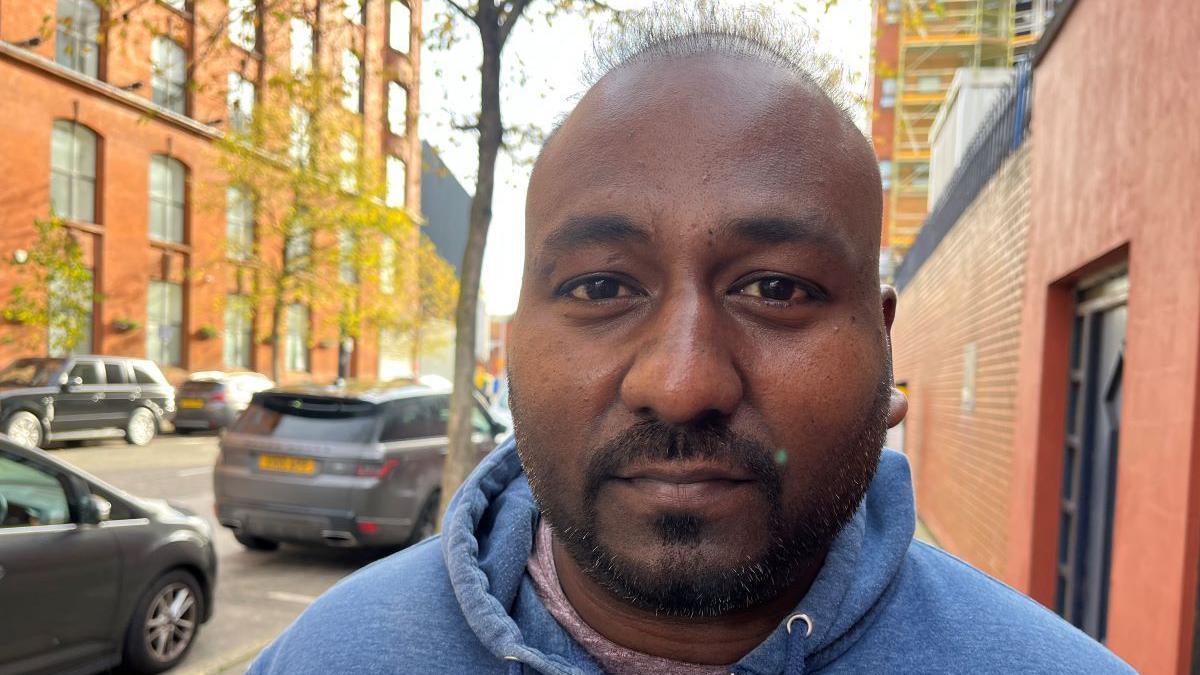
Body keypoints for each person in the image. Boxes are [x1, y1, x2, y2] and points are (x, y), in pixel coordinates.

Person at [251, 6, 1132, 674]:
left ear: (888, 355)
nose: (680, 382)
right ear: (513, 346)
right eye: (602, 287)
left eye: (777, 288)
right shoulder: (323, 657)